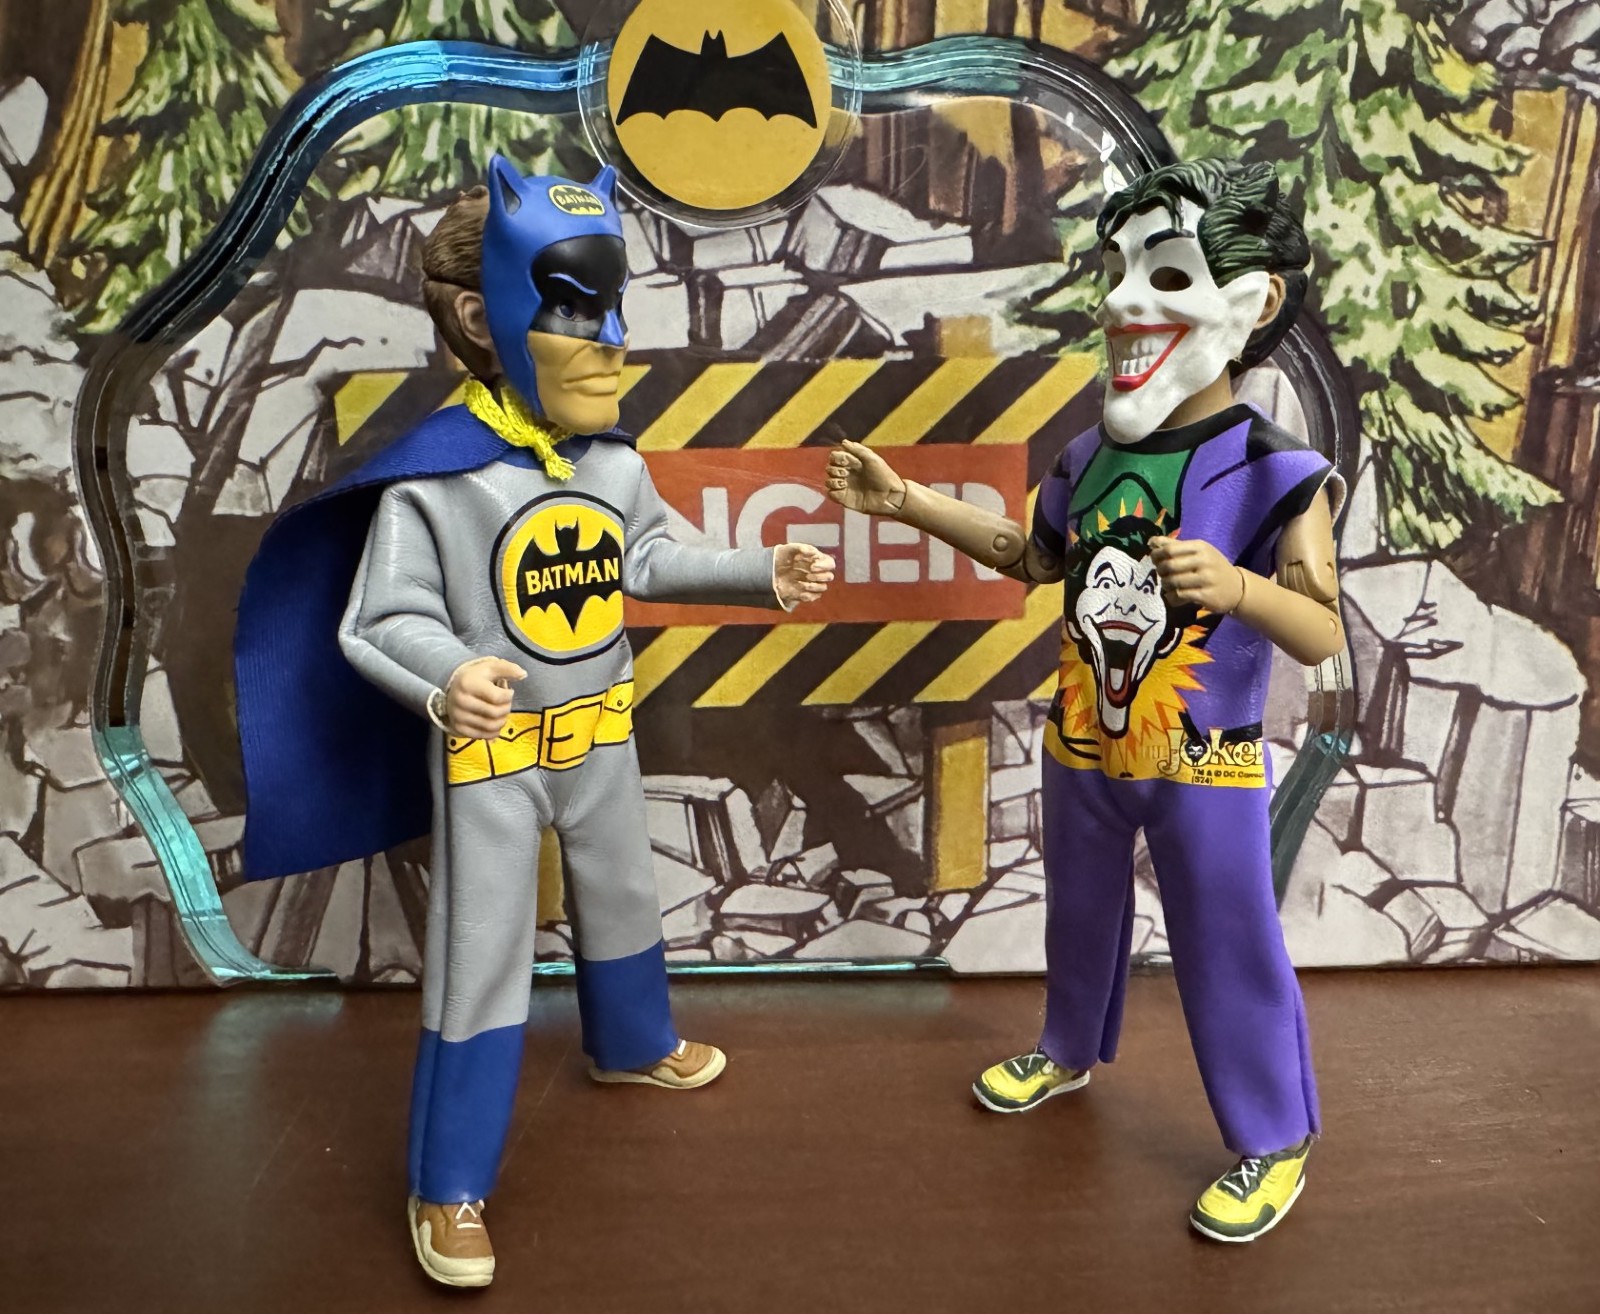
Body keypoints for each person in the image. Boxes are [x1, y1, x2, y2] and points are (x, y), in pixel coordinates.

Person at [234, 156, 834, 1287]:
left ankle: (635, 1042)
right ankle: (449, 1182)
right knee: (483, 958)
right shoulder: (436, 481)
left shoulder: (608, 461)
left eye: (615, 303)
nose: (613, 339)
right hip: (494, 759)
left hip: (601, 735)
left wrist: (760, 572)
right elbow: (378, 620)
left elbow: (648, 556)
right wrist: (448, 678)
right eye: (575, 307)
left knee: (625, 897)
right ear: (479, 318)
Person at [826, 158, 1344, 1243]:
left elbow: (1321, 629)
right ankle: (1066, 1050)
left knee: (1226, 941)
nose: (1122, 302)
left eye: (1166, 274)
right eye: (1116, 271)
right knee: (1078, 914)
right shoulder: (1088, 454)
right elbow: (1033, 559)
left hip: (1204, 763)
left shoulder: (1276, 468)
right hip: (1083, 745)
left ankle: (1274, 1137)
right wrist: (907, 502)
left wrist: (1239, 589)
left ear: (1253, 306)